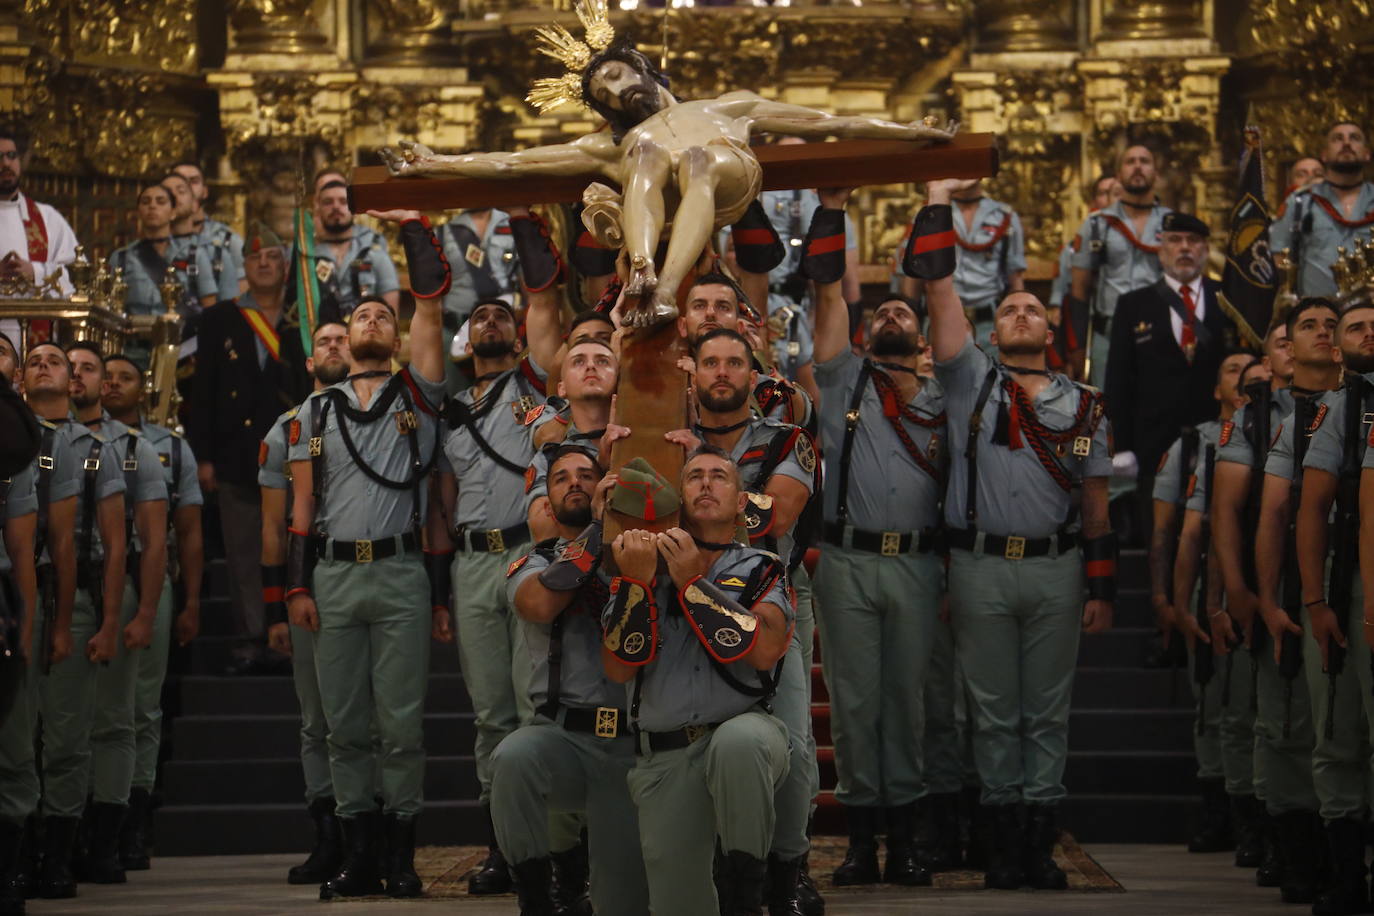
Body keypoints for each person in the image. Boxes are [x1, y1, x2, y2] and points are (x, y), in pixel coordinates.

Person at [382, 23, 953, 327]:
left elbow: (833, 122)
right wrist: (437, 163)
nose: (612, 90)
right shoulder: (618, 144)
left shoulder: (726, 107)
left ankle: (664, 290)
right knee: (648, 154)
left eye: (614, 75)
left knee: (698, 159)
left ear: (642, 68)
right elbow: (511, 163)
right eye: (602, 93)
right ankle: (644, 275)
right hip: (655, 188)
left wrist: (912, 133)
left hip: (725, 174)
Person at [919, 177, 1115, 890]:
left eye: (1033, 306)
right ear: (993, 330)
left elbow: (1096, 504)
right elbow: (941, 294)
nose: (1023, 312)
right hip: (980, 569)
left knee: (1047, 711)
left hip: (1057, 570)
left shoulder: (1085, 404)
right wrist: (938, 197)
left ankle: (1039, 838)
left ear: (1050, 326)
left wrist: (1101, 586)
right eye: (1010, 308)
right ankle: (1001, 840)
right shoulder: (970, 383)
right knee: (992, 712)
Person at [284, 208, 447, 900]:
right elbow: (299, 510)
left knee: (401, 724)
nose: (374, 324)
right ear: (342, 339)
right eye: (363, 319)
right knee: (345, 723)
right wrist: (295, 588)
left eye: (385, 317)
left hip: (403, 571)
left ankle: (401, 850)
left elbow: (430, 320)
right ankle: (356, 850)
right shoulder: (311, 416)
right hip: (334, 576)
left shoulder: (420, 396)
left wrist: (414, 234)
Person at [813, 190, 947, 888]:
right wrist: (832, 212)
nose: (891, 313)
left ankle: (908, 839)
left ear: (923, 339)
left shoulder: (947, 397)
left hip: (918, 565)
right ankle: (864, 840)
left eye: (905, 311)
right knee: (856, 704)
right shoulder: (843, 386)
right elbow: (831, 301)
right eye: (882, 312)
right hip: (848, 560)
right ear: (866, 337)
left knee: (909, 703)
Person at [602, 449, 794, 914]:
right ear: (680, 499)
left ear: (740, 501)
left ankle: (744, 897)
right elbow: (618, 669)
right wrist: (639, 586)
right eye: (693, 477)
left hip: (745, 731)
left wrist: (694, 584)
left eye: (719, 477)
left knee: (739, 743)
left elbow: (765, 649)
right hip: (664, 753)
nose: (706, 484)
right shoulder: (640, 564)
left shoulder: (762, 567)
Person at [673, 327, 819, 909]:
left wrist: (699, 468)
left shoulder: (786, 439)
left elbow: (771, 518)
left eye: (735, 361)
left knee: (793, 745)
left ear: (754, 375)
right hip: (680, 600)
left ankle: (788, 872)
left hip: (763, 596)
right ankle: (717, 872)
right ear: (695, 374)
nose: (723, 372)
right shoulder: (666, 430)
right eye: (710, 362)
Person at [1211, 300, 1334, 903]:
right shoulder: (1255, 417)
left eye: (1320, 330)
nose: (1301, 344)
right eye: (1288, 337)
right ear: (1271, 355)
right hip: (1277, 581)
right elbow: (1230, 511)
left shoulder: (1351, 402)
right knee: (1282, 720)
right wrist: (1239, 591)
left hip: (1343, 573)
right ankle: (1293, 850)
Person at [495, 445, 649, 914]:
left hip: (631, 744)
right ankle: (536, 899)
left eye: (587, 474)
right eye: (561, 478)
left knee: (619, 902)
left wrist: (612, 535)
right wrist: (598, 529)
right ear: (547, 498)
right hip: (562, 736)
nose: (575, 483)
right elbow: (542, 603)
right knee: (511, 759)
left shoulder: (637, 552)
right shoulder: (532, 563)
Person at [430, 296, 548, 895]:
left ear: (519, 335)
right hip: (473, 562)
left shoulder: (536, 387)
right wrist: (439, 590)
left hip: (528, 549)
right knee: (489, 714)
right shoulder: (450, 411)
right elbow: (442, 502)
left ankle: (549, 844)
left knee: (535, 703)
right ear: (465, 341)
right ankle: (503, 844)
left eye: (502, 315)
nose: (491, 322)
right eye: (479, 318)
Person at [21, 342, 127, 899]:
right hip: (15, 594)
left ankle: (57, 851)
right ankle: (20, 846)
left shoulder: (95, 448)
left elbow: (114, 545)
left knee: (66, 733)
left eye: (54, 361)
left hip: (72, 598)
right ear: (19, 377)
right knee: (18, 734)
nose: (44, 365)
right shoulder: (10, 434)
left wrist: (109, 622)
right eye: (34, 359)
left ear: (73, 382)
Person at [65, 342, 168, 885]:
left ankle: (106, 836)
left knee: (114, 719)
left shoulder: (134, 449)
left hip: (115, 581)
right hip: (55, 586)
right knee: (59, 723)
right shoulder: (38, 442)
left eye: (90, 369)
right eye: (72, 366)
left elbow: (153, 542)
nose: (82, 377)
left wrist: (145, 611)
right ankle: (57, 833)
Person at [188, 223, 310, 674]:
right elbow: (203, 392)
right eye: (256, 257)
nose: (263, 263)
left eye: (273, 257)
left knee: (297, 548)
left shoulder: (304, 316)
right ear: (245, 266)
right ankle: (250, 637)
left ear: (284, 265)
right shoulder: (220, 318)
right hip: (237, 454)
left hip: (298, 456)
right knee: (242, 551)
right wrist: (203, 457)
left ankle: (292, 635)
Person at [100, 353, 204, 871]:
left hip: (147, 577)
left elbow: (187, 531)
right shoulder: (74, 443)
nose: (114, 384)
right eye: (108, 376)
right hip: (87, 576)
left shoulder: (168, 448)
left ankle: (130, 820)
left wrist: (189, 601)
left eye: (126, 378)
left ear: (143, 390)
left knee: (141, 707)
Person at [1155, 351, 1260, 860]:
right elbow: (1171, 529)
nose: (1242, 379)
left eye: (1251, 370)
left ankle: (1265, 814)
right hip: (1210, 581)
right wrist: (1167, 599)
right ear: (1218, 388)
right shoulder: (1195, 442)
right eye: (1231, 370)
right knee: (1216, 708)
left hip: (1267, 581)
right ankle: (1221, 810)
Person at [259, 321, 353, 886]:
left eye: (344, 337)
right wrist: (276, 605)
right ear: (311, 363)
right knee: (317, 718)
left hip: (372, 569)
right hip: (310, 579)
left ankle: (377, 833)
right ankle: (330, 833)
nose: (337, 345)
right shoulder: (285, 428)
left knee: (370, 715)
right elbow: (273, 529)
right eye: (325, 342)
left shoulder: (389, 413)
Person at [1290, 302, 1374, 912]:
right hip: (1349, 584)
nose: (1372, 333)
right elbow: (1312, 509)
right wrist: (1316, 600)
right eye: (1358, 326)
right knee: (1337, 733)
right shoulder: (1340, 411)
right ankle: (1347, 877)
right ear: (1338, 350)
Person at [1106, 211, 1238, 545]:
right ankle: (1161, 599)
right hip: (1153, 439)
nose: (1184, 248)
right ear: (1160, 249)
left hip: (1217, 436)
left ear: (1206, 250)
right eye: (1175, 240)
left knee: (1217, 534)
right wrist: (1121, 447)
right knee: (1159, 539)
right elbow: (1119, 379)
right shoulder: (1133, 305)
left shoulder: (1230, 300)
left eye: (1193, 241)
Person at [1067, 144, 1173, 385]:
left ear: (1155, 174)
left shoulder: (1171, 225)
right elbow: (1079, 291)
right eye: (1130, 161)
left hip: (1159, 332)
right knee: (1108, 411)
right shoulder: (1096, 225)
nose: (1137, 166)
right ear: (1117, 176)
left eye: (1144, 161)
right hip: (1110, 334)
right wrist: (1078, 347)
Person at [0, 330, 40, 916]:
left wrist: (26, 625)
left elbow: (24, 547)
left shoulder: (9, 428)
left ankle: (8, 871)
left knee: (9, 749)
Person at [898, 177, 1026, 347]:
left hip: (989, 324)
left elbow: (1015, 279)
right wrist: (910, 330)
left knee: (992, 373)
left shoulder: (1004, 215)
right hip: (940, 318)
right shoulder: (931, 213)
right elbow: (913, 278)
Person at [525, 339, 618, 542]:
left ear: (619, 380)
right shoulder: (548, 458)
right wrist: (599, 472)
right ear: (562, 388)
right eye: (578, 362)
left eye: (602, 361)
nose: (591, 366)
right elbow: (545, 532)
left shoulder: (641, 440)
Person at [1270, 123, 1373, 297]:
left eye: (1354, 138)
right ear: (1324, 155)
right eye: (1338, 138)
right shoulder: (1300, 202)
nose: (1346, 143)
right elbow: (1279, 256)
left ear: (1367, 154)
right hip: (1317, 313)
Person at [108, 183, 218, 316]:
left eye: (161, 202)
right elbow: (112, 308)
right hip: (137, 332)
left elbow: (210, 307)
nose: (152, 206)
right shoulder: (122, 258)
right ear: (138, 212)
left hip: (184, 333)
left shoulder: (194, 255)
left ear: (173, 213)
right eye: (145, 202)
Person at [304, 173, 400, 322]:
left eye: (343, 201)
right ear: (318, 208)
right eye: (328, 202)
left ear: (354, 207)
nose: (336, 207)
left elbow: (391, 316)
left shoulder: (374, 251)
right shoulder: (306, 253)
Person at [0, 127, 77, 297]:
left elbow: (76, 275)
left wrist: (36, 272)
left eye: (11, 156)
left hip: (33, 320)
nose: (5, 164)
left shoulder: (47, 217)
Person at [170, 160, 246, 300]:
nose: (186, 187)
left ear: (205, 192)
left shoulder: (229, 241)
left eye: (193, 181)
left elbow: (240, 299)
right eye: (179, 181)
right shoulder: (156, 239)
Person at [439, 208, 519, 326]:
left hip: (502, 319)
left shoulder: (511, 223)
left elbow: (525, 274)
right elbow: (435, 278)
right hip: (455, 322)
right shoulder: (446, 228)